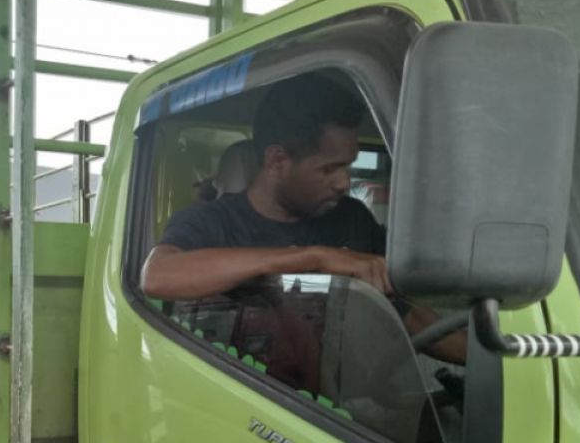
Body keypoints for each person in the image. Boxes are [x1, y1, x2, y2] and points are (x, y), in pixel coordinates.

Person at [142, 72, 464, 363]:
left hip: (345, 417)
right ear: (278, 160)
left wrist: (492, 368)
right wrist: (314, 258)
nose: (343, 183)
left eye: (348, 165)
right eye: (329, 168)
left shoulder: (352, 219)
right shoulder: (212, 222)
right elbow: (158, 276)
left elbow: (407, 314)